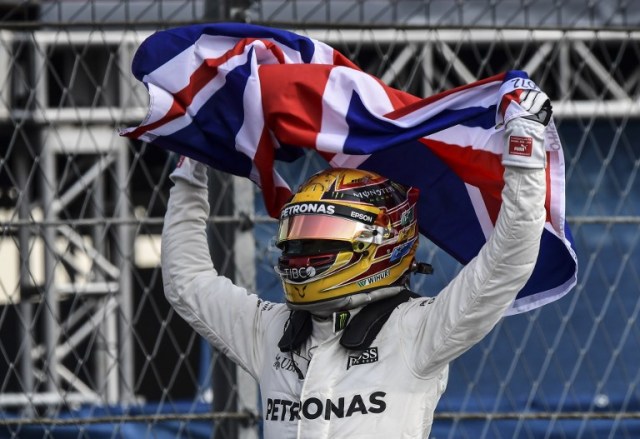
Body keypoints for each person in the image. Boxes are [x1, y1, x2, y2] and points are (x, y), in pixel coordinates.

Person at [160, 90, 552, 438]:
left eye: (321, 234)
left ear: (383, 240)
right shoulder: (273, 330)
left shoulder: (416, 330)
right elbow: (187, 284)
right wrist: (191, 169)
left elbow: (508, 261)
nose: (302, 248)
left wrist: (524, 151)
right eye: (298, 233)